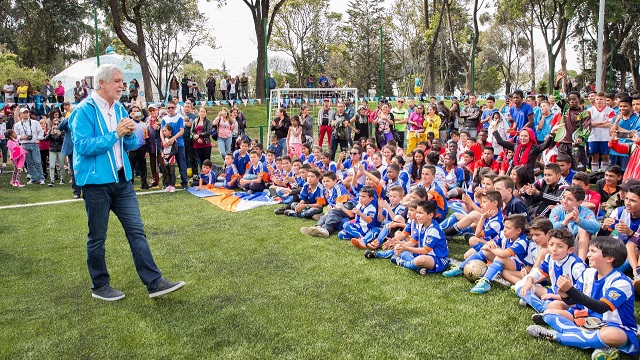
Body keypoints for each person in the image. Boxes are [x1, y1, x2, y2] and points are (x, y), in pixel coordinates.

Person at [70, 64, 184, 301]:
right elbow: (82, 147)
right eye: (117, 81)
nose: (122, 85)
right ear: (102, 83)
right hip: (95, 184)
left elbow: (131, 146)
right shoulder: (83, 111)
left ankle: (154, 283)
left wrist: (131, 135)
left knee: (136, 231)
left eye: (122, 81)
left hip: (123, 182)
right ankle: (100, 286)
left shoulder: (120, 109)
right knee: (97, 237)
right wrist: (116, 135)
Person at [526, 236, 638, 359]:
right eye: (589, 250)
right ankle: (594, 343)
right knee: (549, 313)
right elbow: (573, 301)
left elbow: (602, 307)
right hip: (586, 320)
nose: (588, 255)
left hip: (613, 326)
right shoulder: (588, 273)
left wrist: (570, 290)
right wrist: (564, 293)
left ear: (610, 258)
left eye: (593, 251)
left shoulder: (621, 282)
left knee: (612, 335)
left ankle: (558, 337)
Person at [516, 227, 586, 313]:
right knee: (521, 284)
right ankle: (543, 306)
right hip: (552, 292)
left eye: (560, 246)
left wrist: (558, 297)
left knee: (555, 305)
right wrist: (529, 281)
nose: (554, 249)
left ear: (570, 250)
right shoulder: (549, 257)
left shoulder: (577, 265)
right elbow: (538, 271)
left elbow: (583, 291)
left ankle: (542, 307)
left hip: (569, 299)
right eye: (551, 244)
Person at [390, 200, 450, 274]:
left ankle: (402, 262)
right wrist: (402, 245)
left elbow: (425, 250)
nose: (417, 215)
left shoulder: (434, 230)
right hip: (422, 254)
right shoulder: (420, 225)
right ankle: (418, 268)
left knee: (421, 260)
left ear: (430, 215)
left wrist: (406, 248)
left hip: (438, 259)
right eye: (417, 212)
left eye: (420, 213)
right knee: (402, 249)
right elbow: (412, 242)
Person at [160, 100, 188, 188]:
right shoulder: (164, 119)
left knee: (181, 163)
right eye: (169, 108)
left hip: (178, 144)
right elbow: (161, 131)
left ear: (175, 108)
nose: (170, 109)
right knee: (167, 165)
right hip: (168, 146)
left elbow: (182, 131)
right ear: (166, 108)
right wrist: (164, 141)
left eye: (172, 107)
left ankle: (184, 182)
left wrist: (173, 138)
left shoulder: (180, 117)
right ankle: (169, 183)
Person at [13, 107, 45, 184]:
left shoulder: (35, 122)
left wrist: (39, 139)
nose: (26, 114)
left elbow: (41, 132)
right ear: (20, 115)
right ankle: (33, 178)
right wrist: (21, 137)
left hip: (34, 144)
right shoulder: (17, 125)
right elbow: (15, 136)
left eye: (27, 113)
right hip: (24, 145)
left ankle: (41, 178)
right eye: (24, 113)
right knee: (29, 162)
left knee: (37, 161)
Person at [46, 117, 65, 186]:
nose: (56, 125)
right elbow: (46, 139)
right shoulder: (50, 131)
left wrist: (60, 135)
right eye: (55, 124)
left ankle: (62, 179)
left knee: (62, 166)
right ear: (52, 124)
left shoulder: (62, 131)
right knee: (51, 166)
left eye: (57, 124)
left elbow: (64, 141)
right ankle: (52, 181)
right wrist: (50, 134)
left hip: (60, 150)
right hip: (52, 150)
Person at [161, 124, 178, 192]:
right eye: (163, 131)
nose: (164, 132)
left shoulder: (173, 139)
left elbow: (176, 150)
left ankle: (173, 186)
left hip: (171, 158)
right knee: (167, 172)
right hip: (165, 157)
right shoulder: (163, 140)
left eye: (165, 131)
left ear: (170, 131)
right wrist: (162, 153)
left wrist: (169, 155)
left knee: (172, 172)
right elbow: (161, 148)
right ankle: (169, 185)